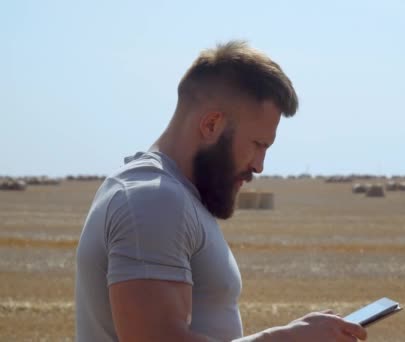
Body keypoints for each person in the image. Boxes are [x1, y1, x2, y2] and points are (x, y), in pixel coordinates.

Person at [75, 40, 367, 342]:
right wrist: (286, 340)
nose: (259, 166)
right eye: (257, 145)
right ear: (212, 124)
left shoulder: (170, 195)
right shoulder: (153, 200)